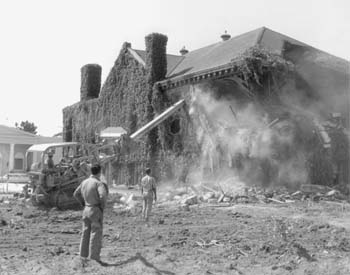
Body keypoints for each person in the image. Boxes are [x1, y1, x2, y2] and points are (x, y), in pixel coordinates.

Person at [73, 164, 108, 262]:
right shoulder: (98, 183)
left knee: (85, 233)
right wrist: (102, 207)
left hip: (86, 209)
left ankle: (83, 256)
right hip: (95, 209)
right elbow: (102, 196)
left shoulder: (84, 182)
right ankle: (94, 257)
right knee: (95, 233)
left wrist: (83, 203)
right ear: (99, 172)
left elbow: (75, 194)